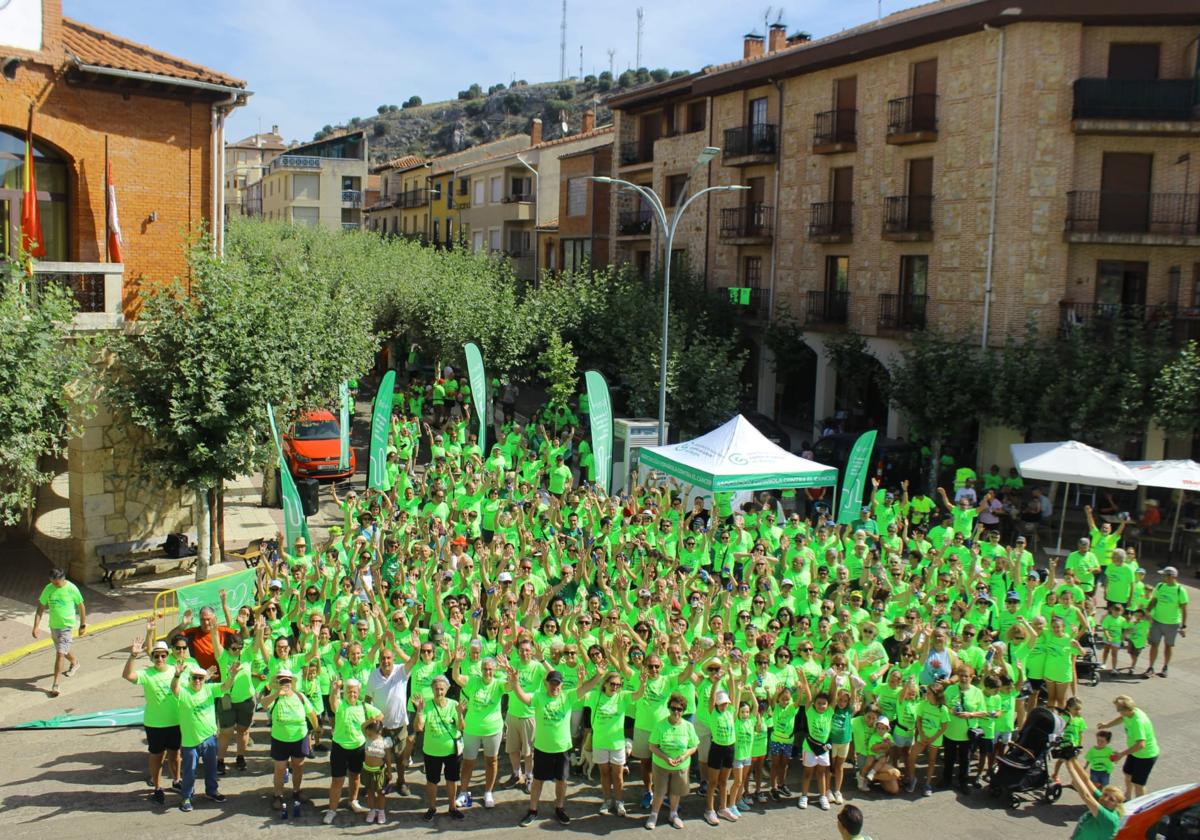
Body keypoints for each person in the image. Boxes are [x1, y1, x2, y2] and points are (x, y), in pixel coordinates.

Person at [510, 667, 573, 826]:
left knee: (562, 780)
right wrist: (515, 681)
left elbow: (586, 687)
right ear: (547, 684)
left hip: (563, 748)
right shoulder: (539, 697)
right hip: (543, 748)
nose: (555, 687)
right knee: (538, 781)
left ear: (562, 685)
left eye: (557, 684)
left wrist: (599, 674)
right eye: (552, 683)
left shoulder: (568, 697)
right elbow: (523, 697)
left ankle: (559, 808)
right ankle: (532, 810)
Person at [122, 635, 181, 803]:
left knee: (175, 754)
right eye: (156, 656)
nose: (160, 658)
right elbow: (127, 675)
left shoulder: (175, 670)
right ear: (152, 657)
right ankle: (157, 787)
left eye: (163, 655)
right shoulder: (147, 673)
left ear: (168, 656)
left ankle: (177, 781)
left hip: (175, 721)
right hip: (155, 724)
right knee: (156, 756)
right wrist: (133, 655)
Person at [262, 668, 320, 819]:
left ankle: (296, 791)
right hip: (280, 739)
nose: (285, 683)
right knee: (280, 769)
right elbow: (263, 704)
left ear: (292, 682)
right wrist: (276, 693)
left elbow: (311, 714)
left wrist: (317, 729)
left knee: (298, 766)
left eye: (287, 680)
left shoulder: (300, 696)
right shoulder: (274, 697)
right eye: (281, 680)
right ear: (277, 682)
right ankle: (278, 796)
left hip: (299, 738)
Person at [170, 662, 227, 812]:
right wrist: (177, 675)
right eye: (194, 678)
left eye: (200, 678)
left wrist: (232, 675)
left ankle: (212, 792)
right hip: (190, 741)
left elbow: (226, 687)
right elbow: (174, 688)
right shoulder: (184, 692)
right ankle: (187, 797)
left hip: (209, 738)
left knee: (211, 769)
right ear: (189, 678)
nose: (197, 681)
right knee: (189, 771)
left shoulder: (210, 689)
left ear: (205, 679)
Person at [324, 678, 382, 824]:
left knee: (355, 776)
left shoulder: (364, 707)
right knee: (337, 780)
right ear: (345, 692)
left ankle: (353, 801)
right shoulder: (340, 704)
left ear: (358, 692)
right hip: (339, 747)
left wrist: (368, 725)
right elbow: (332, 701)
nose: (352, 694)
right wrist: (335, 690)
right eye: (349, 691)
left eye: (355, 692)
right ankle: (332, 810)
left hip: (358, 747)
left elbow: (380, 715)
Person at [364, 638, 417, 795]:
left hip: (399, 724)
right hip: (381, 726)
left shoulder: (401, 670)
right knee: (383, 756)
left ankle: (401, 782)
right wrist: (370, 720)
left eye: (388, 658)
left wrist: (416, 649)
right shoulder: (373, 676)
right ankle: (386, 780)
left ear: (394, 659)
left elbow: (414, 661)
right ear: (379, 660)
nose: (386, 661)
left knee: (400, 758)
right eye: (383, 658)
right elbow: (367, 700)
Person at [414, 675, 466, 822]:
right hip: (432, 751)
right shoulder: (427, 706)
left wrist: (460, 714)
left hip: (452, 751)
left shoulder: (454, 704)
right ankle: (432, 808)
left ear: (447, 689)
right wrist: (419, 711)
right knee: (432, 781)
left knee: (452, 779)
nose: (439, 692)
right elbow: (418, 727)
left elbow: (461, 727)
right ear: (432, 689)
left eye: (442, 689)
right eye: (436, 689)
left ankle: (452, 807)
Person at [645, 692, 698, 830]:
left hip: (681, 765)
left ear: (683, 710)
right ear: (668, 708)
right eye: (673, 708)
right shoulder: (660, 725)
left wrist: (684, 756)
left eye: (679, 709)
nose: (676, 711)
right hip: (661, 764)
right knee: (659, 791)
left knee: (676, 791)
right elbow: (652, 746)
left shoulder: (688, 726)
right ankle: (654, 814)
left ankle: (673, 814)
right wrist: (666, 758)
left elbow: (694, 746)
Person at [32, 567, 86, 698]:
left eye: (57, 583)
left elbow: (81, 606)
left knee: (60, 653)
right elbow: (40, 607)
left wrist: (82, 625)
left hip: (67, 626)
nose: (55, 585)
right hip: (54, 626)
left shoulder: (71, 588)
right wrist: (36, 626)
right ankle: (75, 662)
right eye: (52, 582)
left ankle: (55, 685)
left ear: (63, 578)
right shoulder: (48, 588)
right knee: (64, 650)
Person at [1098, 695, 1159, 800]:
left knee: (1138, 784)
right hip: (1135, 752)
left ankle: (1140, 806)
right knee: (1128, 774)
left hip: (1146, 755)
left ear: (1126, 709)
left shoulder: (1138, 722)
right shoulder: (1130, 712)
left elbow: (1141, 744)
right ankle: (1128, 796)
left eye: (1118, 709)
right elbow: (1122, 718)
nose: (1117, 711)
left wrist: (1121, 754)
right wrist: (1107, 725)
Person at [1143, 566, 1188, 679]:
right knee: (1154, 644)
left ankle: (1165, 667)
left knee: (1168, 646)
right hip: (1157, 620)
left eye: (1164, 575)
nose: (1162, 577)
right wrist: (1147, 611)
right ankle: (1151, 667)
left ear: (1171, 577)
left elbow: (1184, 608)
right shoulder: (1160, 586)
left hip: (1172, 623)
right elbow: (1154, 600)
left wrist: (1183, 626)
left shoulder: (1180, 590)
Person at [1065, 755, 1124, 840]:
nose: (1105, 799)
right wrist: (1072, 758)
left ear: (1117, 805)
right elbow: (1086, 780)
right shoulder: (1103, 802)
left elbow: (1086, 796)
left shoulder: (1109, 819)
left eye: (1111, 799)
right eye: (1105, 794)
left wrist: (1068, 764)